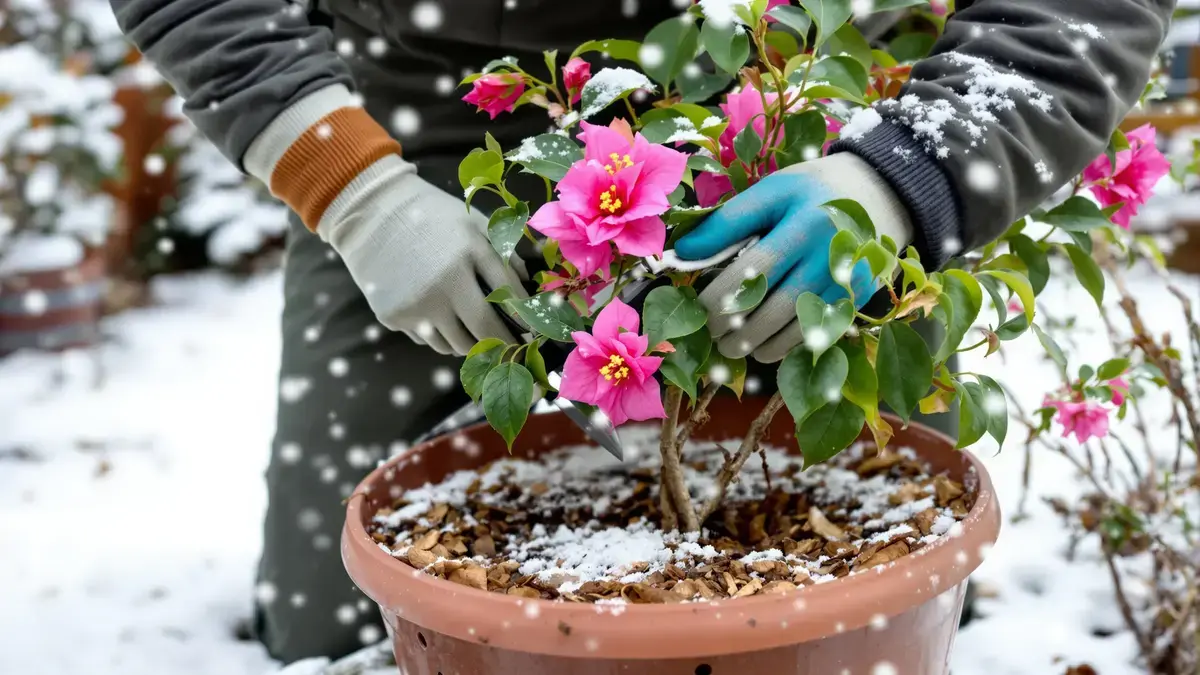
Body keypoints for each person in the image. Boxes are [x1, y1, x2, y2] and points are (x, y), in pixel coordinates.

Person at [107, 0, 1175, 664]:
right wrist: (348, 183)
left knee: (870, 595)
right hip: (427, 116)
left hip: (798, 108)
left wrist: (904, 178)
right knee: (329, 622)